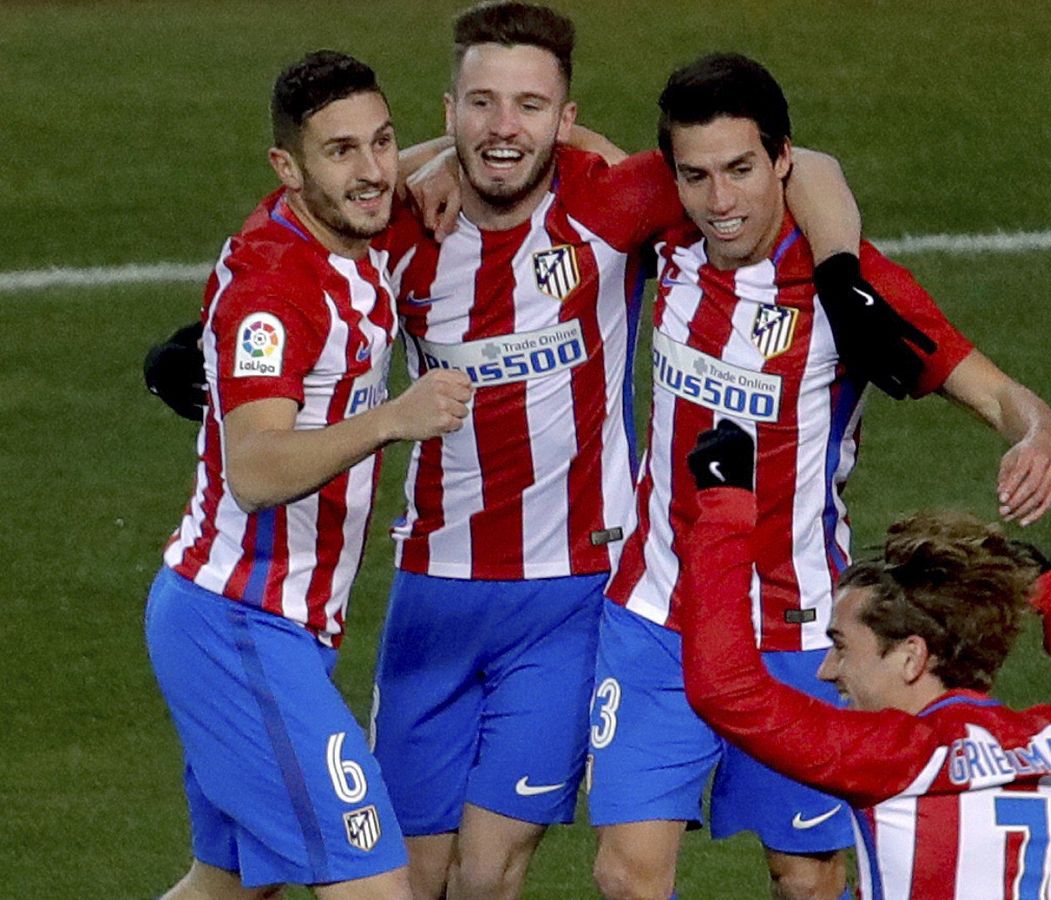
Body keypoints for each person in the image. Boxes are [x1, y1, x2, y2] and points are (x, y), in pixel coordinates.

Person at [367, 5, 870, 899]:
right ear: (449, 109)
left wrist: (838, 270)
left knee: (489, 876)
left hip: (571, 590)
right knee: (407, 878)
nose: (502, 126)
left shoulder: (612, 200)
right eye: (481, 103)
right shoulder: (406, 228)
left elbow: (807, 163)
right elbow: (309, 218)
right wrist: (422, 167)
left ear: (565, 120)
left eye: (529, 104)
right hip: (433, 588)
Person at [589, 53, 1051, 900]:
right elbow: (536, 153)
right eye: (695, 177)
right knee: (627, 876)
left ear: (782, 161)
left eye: (741, 170)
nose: (719, 201)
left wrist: (1037, 438)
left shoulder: (852, 290)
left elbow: (1001, 396)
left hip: (801, 630)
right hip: (658, 610)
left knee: (807, 878)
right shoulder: (667, 228)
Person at [146, 51, 472, 900]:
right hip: (239, 625)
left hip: (264, 625)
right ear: (288, 169)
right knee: (373, 878)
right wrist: (393, 418)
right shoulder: (276, 288)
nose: (373, 173)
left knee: (227, 888)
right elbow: (253, 470)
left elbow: (474, 149)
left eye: (383, 142)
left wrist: (441, 156)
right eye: (341, 152)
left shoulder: (351, 225)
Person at [675, 421, 1051, 898]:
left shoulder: (895, 756)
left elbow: (725, 690)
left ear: (911, 657)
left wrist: (726, 509)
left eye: (842, 646)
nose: (827, 670)